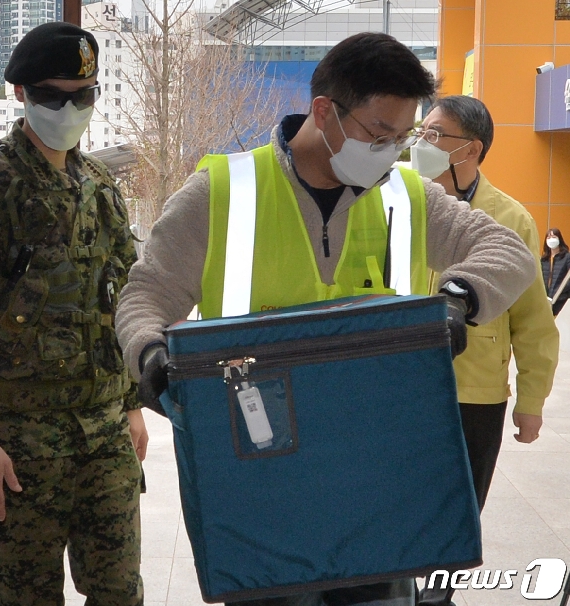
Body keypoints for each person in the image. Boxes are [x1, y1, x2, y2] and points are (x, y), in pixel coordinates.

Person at [116, 33, 537, 606]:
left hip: (377, 479)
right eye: (378, 134)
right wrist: (150, 352)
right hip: (262, 479)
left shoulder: (406, 194)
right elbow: (146, 293)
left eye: (402, 137)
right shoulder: (222, 193)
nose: (391, 151)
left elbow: (508, 251)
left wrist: (459, 297)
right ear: (324, 112)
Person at [0, 22, 146, 606]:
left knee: (120, 595)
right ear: (21, 94)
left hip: (103, 440)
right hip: (16, 448)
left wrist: (133, 405)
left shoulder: (97, 184)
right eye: (52, 96)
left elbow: (123, 301)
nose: (68, 109)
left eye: (82, 96)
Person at [411, 95, 559, 606]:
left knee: (460, 511)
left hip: (476, 395)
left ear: (470, 149)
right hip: (405, 386)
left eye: (434, 135)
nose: (421, 144)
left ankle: (438, 598)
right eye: (421, 132)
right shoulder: (401, 204)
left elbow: (535, 323)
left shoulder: (509, 218)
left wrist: (532, 401)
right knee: (401, 507)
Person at [541, 227, 570, 316]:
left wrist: (557, 295)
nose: (551, 240)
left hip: (561, 300)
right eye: (548, 237)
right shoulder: (544, 259)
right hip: (545, 301)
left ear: (559, 239)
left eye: (554, 236)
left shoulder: (566, 257)